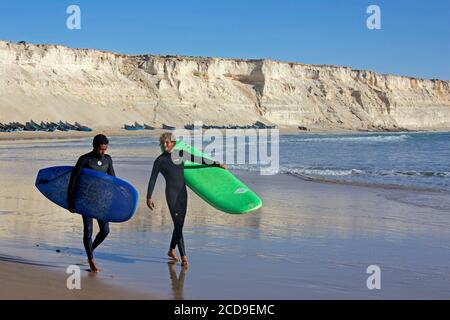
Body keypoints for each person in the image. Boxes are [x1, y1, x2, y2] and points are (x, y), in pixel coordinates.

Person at [146, 133, 227, 266]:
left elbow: (199, 159)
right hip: (171, 194)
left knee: (180, 224)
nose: (164, 145)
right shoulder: (159, 160)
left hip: (182, 193)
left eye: (167, 142)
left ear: (173, 143)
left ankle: (171, 250)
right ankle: (184, 257)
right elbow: (153, 178)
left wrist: (216, 164)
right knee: (178, 225)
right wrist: (149, 196)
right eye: (162, 143)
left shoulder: (181, 154)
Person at [67, 134, 115, 273]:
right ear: (94, 147)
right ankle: (91, 260)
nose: (103, 152)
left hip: (101, 200)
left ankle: (91, 250)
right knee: (88, 230)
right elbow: (73, 179)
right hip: (86, 199)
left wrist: (114, 199)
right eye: (101, 149)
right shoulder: (85, 159)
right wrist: (70, 200)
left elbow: (113, 180)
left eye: (105, 149)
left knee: (105, 231)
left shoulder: (108, 160)